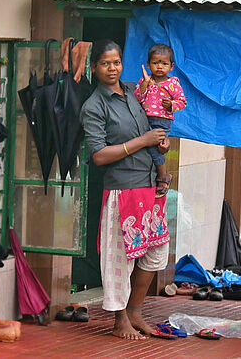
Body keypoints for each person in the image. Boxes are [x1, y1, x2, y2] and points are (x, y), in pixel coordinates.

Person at [80, 40, 171, 340]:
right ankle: (119, 321)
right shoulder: (93, 106)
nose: (112, 68)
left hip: (149, 185)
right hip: (122, 190)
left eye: (116, 62)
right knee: (121, 259)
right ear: (94, 68)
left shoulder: (135, 91)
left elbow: (159, 118)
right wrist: (142, 141)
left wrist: (159, 142)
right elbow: (98, 155)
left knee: (156, 252)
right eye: (105, 63)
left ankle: (135, 312)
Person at [134, 44, 187, 197]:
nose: (159, 67)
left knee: (154, 147)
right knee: (144, 146)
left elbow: (182, 102)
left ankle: (163, 176)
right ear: (149, 64)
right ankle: (155, 175)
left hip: (162, 122)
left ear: (171, 67)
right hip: (144, 119)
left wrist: (171, 105)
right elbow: (138, 98)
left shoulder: (173, 83)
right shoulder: (146, 80)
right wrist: (144, 84)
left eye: (164, 64)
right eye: (156, 63)